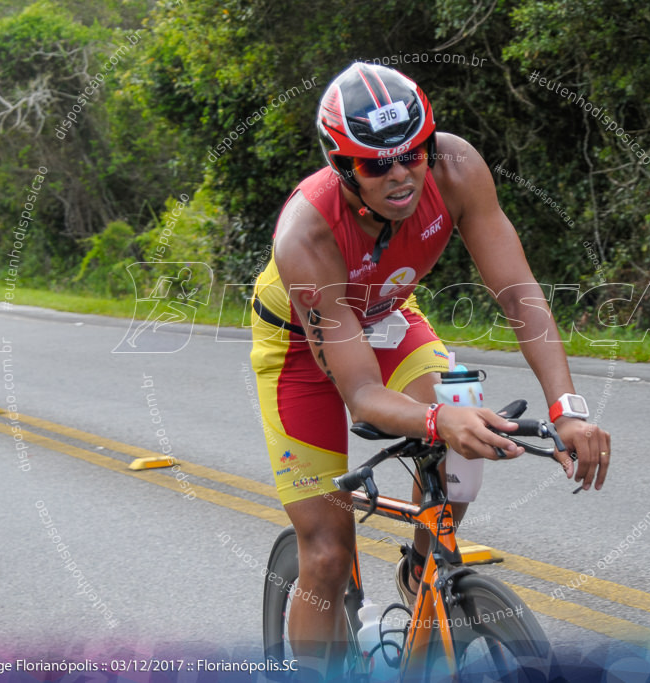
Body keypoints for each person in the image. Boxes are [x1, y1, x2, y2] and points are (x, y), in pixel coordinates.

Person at [249, 62, 611, 677]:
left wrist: (567, 409)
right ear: (341, 167)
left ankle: (425, 573)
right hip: (299, 349)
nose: (400, 175)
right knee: (329, 554)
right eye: (374, 164)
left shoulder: (457, 168)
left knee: (465, 430)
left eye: (413, 154)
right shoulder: (306, 233)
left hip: (388, 316)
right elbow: (360, 393)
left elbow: (520, 293)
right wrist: (436, 418)